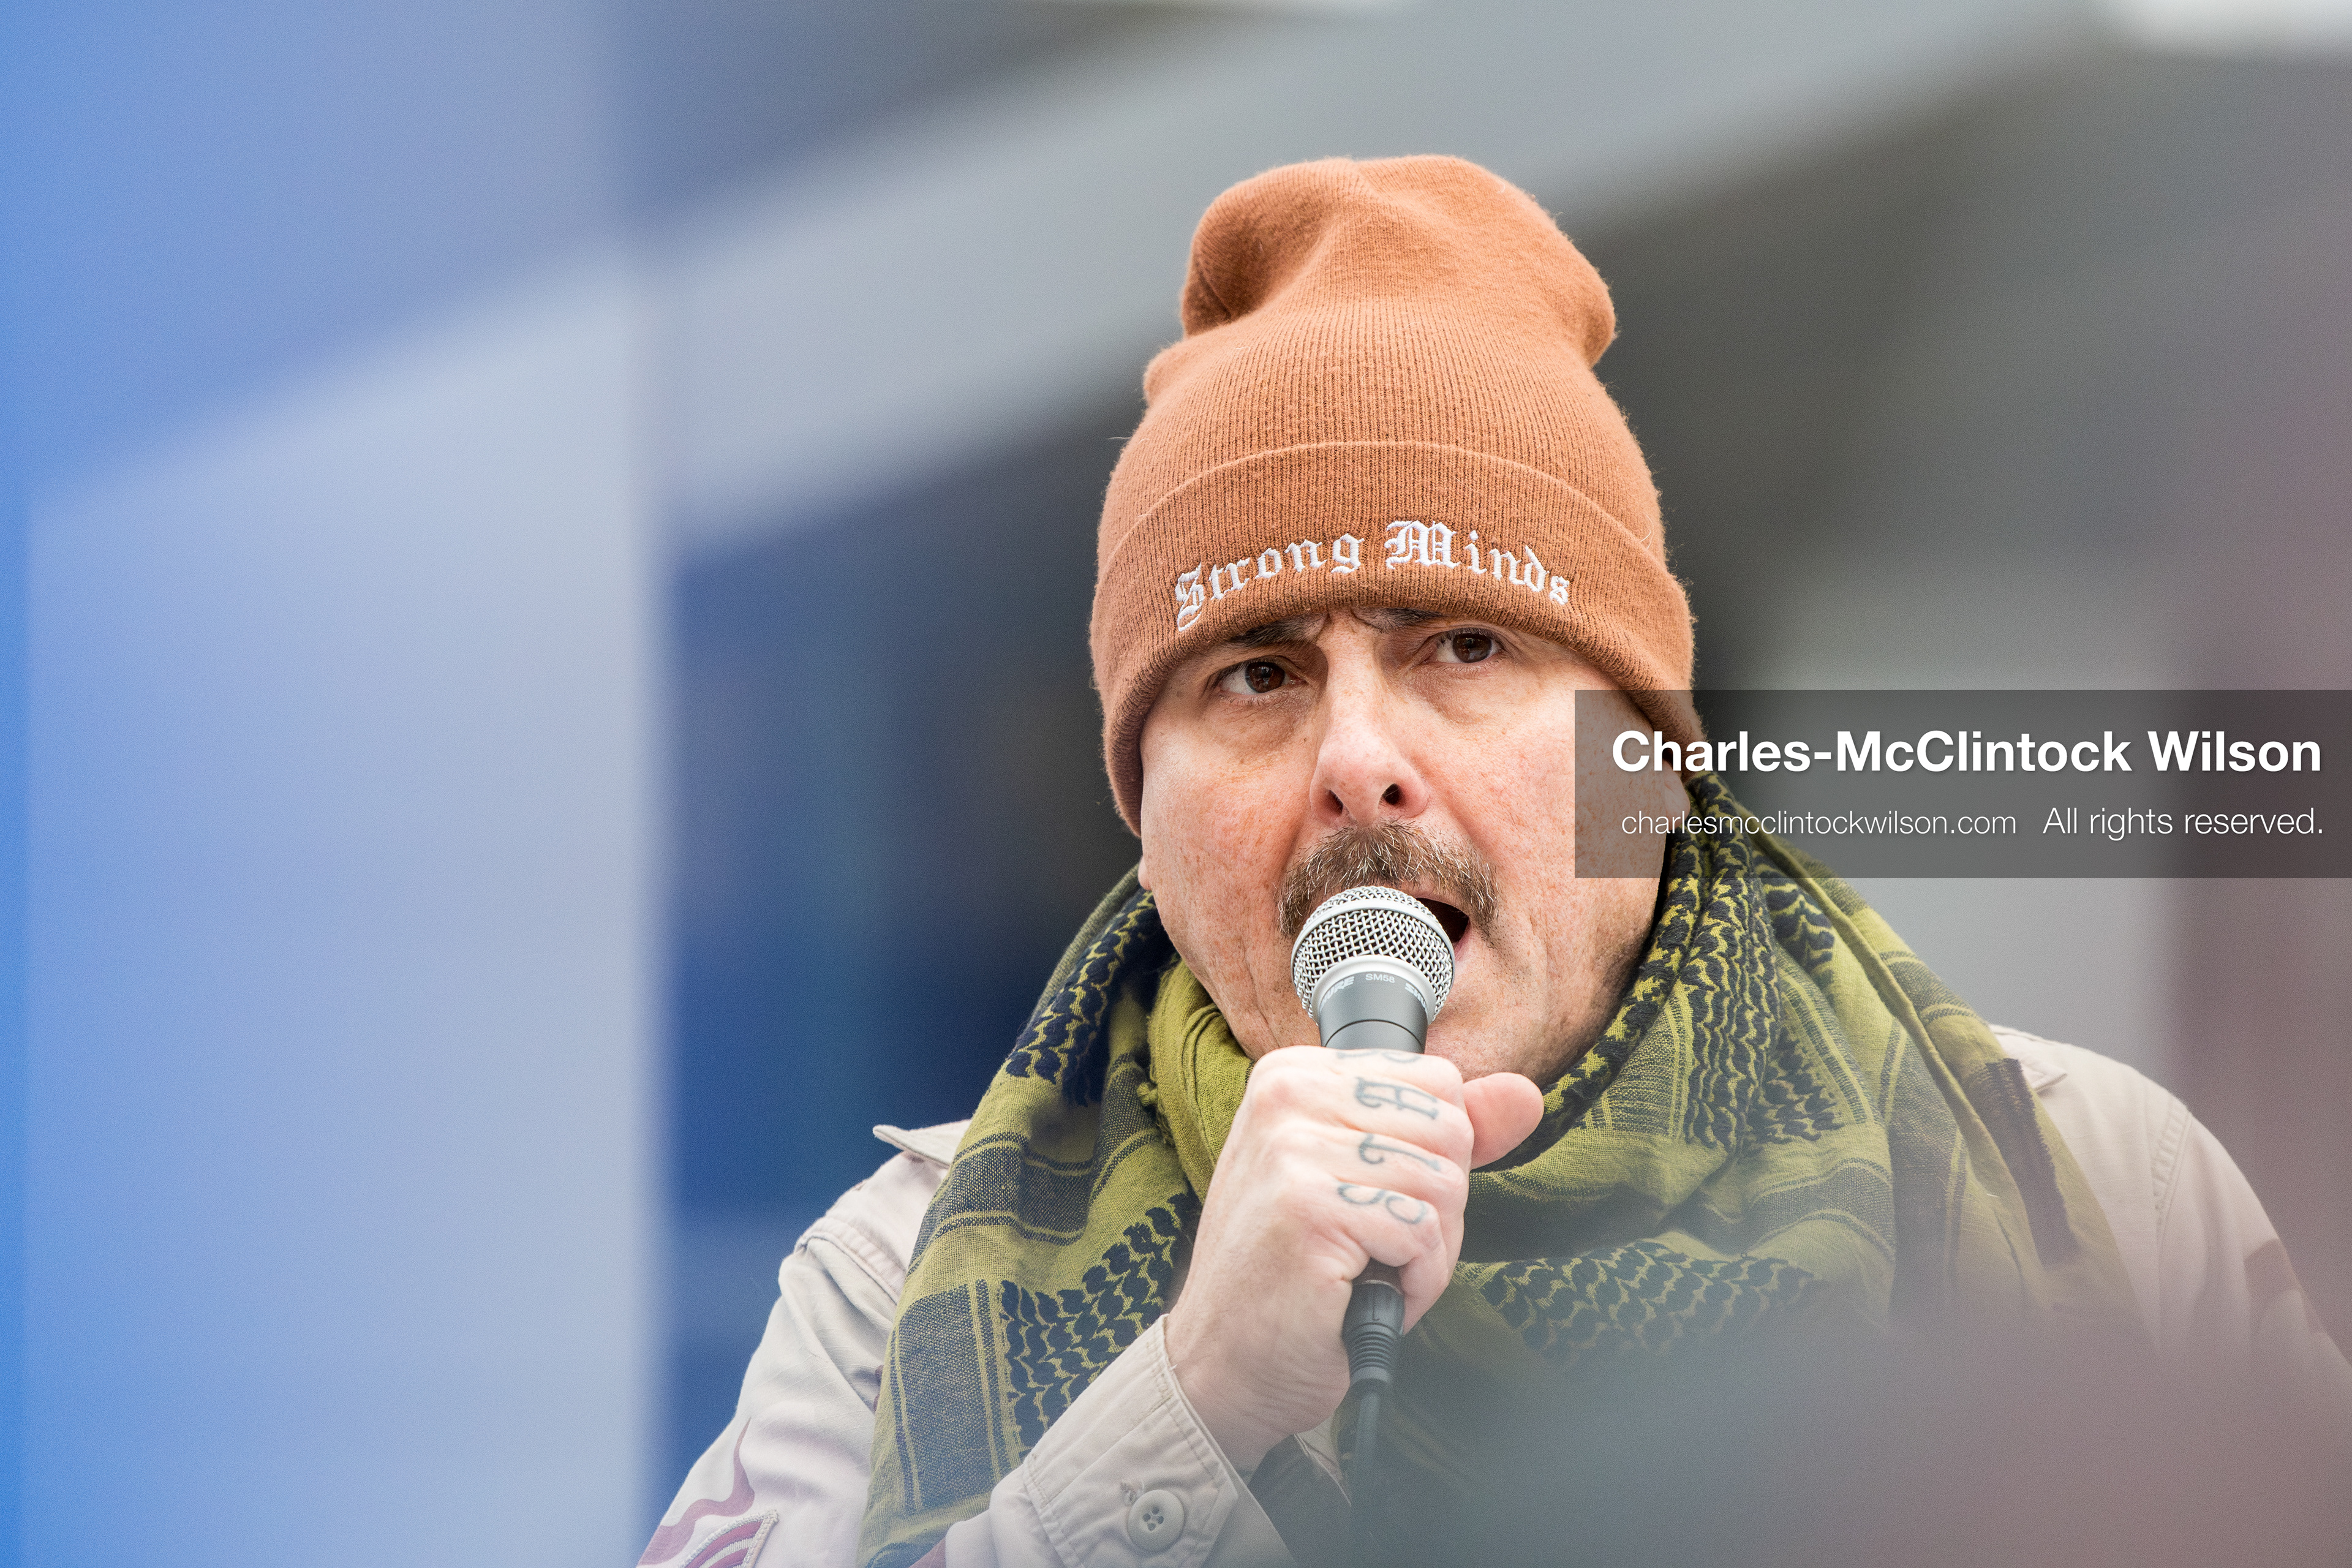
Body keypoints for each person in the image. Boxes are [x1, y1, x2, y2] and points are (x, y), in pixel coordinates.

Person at [641, 157, 2350, 1568]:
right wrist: (1191, 1405)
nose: (1360, 759)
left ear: (1649, 765)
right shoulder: (893, 1281)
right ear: (1143, 826)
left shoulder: (2102, 1197)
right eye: (1257, 676)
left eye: (1466, 646)